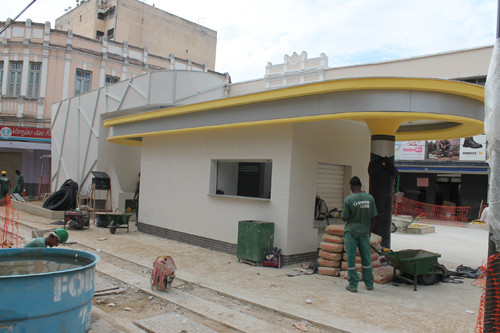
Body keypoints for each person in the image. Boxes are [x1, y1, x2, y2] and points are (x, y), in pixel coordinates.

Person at [342, 176, 378, 293]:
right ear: (360, 185)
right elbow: (374, 217)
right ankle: (369, 284)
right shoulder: (370, 198)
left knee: (351, 258)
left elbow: (344, 218)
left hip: (351, 232)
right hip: (364, 232)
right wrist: (369, 231)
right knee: (366, 258)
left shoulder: (348, 199)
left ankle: (353, 285)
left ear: (351, 186)